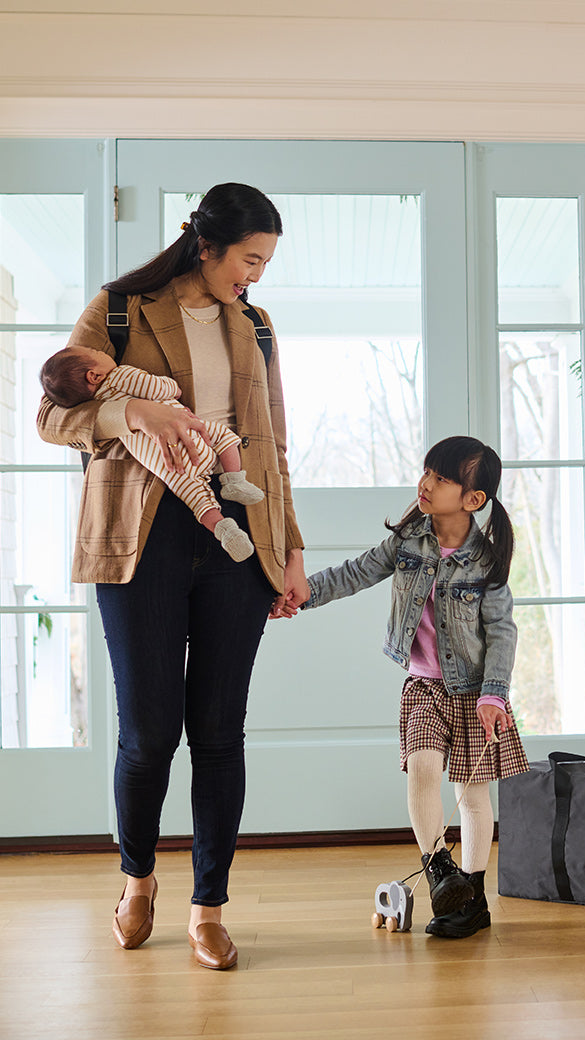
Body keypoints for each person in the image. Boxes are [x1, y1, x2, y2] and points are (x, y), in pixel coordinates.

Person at [36, 182, 307, 970]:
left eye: (263, 264)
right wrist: (131, 414)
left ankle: (209, 907)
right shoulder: (120, 309)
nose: (253, 276)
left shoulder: (255, 326)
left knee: (220, 733)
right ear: (207, 245)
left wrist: (288, 548)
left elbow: (272, 447)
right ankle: (137, 878)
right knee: (148, 732)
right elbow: (53, 413)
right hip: (140, 541)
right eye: (248, 259)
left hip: (237, 542)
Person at [291, 435, 529, 939]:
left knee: (471, 796)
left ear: (473, 500)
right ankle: (439, 868)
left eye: (442, 478)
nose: (425, 483)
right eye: (426, 472)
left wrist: (494, 695)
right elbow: (354, 573)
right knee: (422, 770)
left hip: (474, 694)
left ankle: (473, 896)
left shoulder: (485, 562)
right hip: (423, 686)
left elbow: (503, 631)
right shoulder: (407, 542)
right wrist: (302, 593)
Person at [40, 346, 263, 562]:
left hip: (168, 467)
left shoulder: (96, 401)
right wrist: (170, 389)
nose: (103, 352)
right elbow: (157, 388)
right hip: (192, 433)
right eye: (98, 353)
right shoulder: (120, 374)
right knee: (223, 435)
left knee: (199, 500)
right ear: (94, 375)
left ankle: (226, 531)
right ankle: (234, 481)